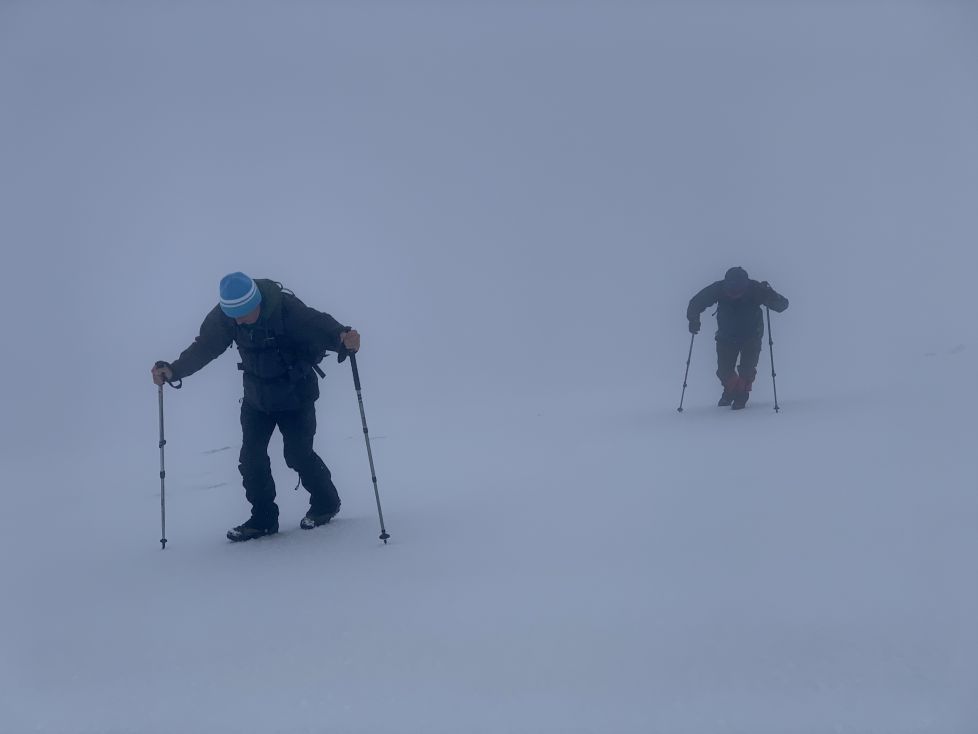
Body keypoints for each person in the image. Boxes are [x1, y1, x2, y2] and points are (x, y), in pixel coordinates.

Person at [151, 272, 361, 542]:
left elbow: (319, 325)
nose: (238, 320)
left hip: (296, 394)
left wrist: (343, 337)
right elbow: (205, 347)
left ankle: (326, 503)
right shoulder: (227, 316)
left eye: (244, 313)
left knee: (297, 454)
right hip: (256, 398)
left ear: (257, 302)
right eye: (234, 315)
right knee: (251, 460)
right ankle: (262, 519)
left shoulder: (287, 310)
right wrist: (174, 370)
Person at [686, 266, 788, 410]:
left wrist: (770, 293)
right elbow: (696, 303)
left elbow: (783, 305)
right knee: (724, 371)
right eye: (731, 291)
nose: (735, 294)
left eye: (738, 291)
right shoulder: (718, 288)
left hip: (751, 336)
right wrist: (693, 319)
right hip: (726, 336)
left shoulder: (756, 289)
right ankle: (731, 391)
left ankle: (741, 395)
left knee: (747, 370)